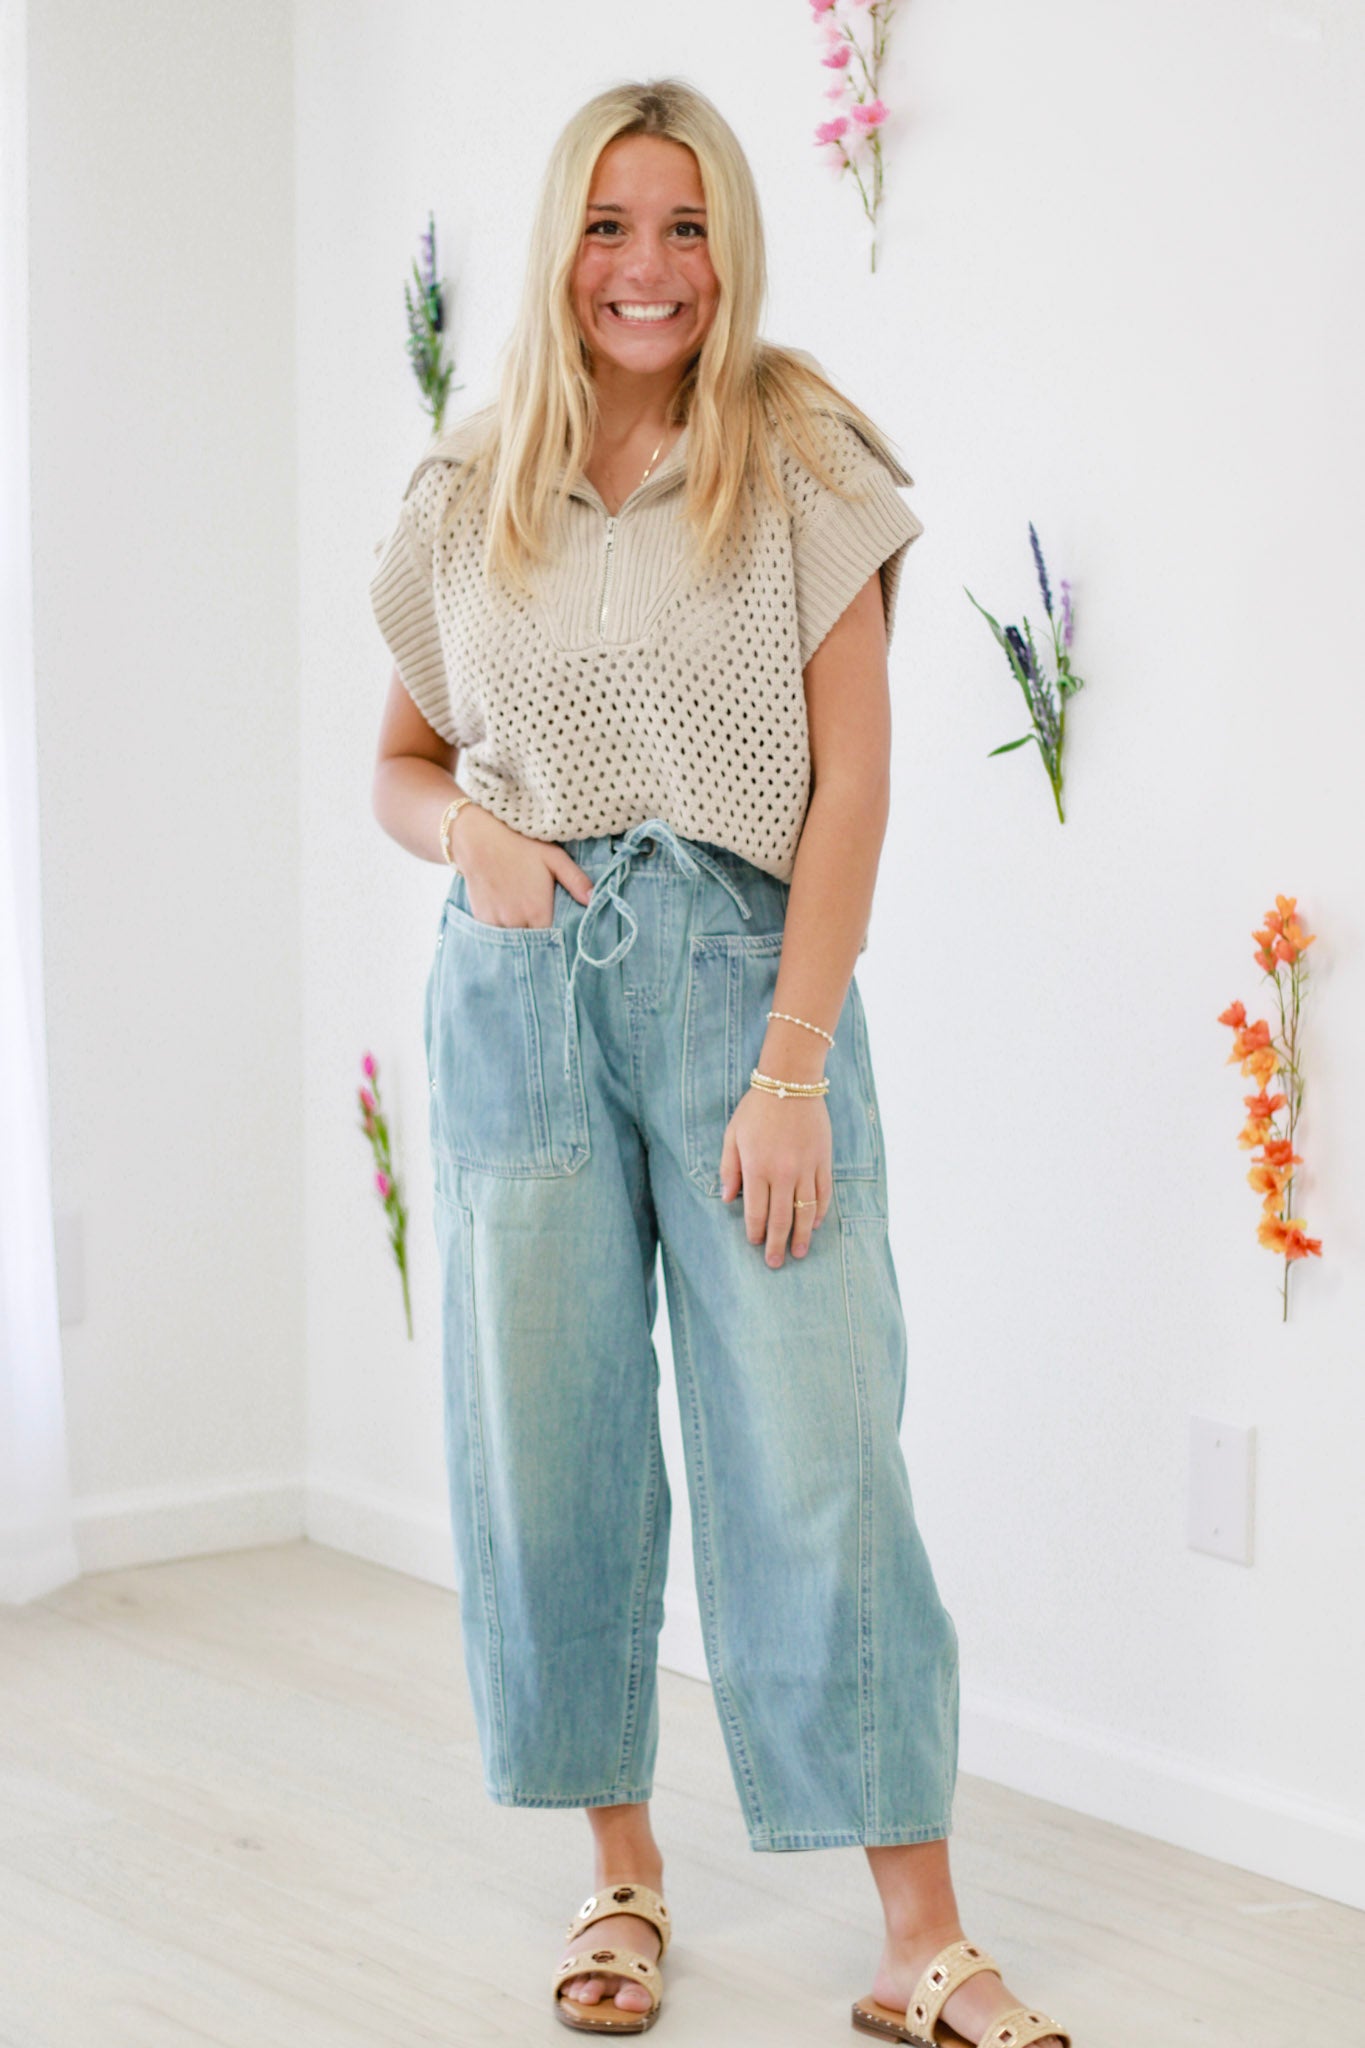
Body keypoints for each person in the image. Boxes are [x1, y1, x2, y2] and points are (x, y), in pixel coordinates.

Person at [368, 76, 1069, 2048]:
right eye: (609, 225)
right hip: (518, 993)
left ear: (729, 245)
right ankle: (620, 1872)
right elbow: (398, 768)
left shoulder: (797, 451)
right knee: (551, 1447)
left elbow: (851, 781)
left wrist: (789, 1066)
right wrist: (472, 840)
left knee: (819, 1451)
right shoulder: (468, 482)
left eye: (683, 226)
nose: (648, 267)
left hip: (743, 986)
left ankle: (918, 1939)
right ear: (560, 246)